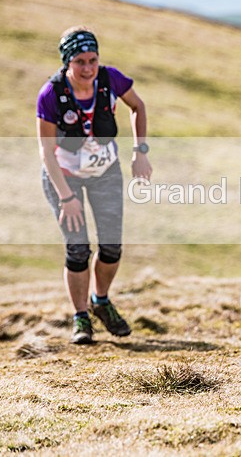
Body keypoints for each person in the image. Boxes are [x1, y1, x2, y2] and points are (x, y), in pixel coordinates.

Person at [36, 27, 152, 344]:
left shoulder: (110, 79)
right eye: (79, 61)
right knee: (78, 249)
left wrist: (140, 151)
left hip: (106, 172)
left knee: (112, 247)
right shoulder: (51, 94)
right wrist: (66, 198)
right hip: (63, 176)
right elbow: (46, 151)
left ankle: (101, 301)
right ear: (66, 62)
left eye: (93, 60)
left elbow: (138, 107)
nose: (88, 68)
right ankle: (81, 318)